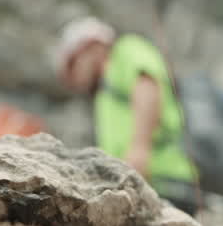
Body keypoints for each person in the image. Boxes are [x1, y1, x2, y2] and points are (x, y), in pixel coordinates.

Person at [54, 17, 201, 214]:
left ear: (92, 46)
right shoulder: (104, 93)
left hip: (165, 180)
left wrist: (140, 149)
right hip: (141, 185)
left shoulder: (126, 50)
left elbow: (147, 86)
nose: (74, 77)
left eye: (73, 63)